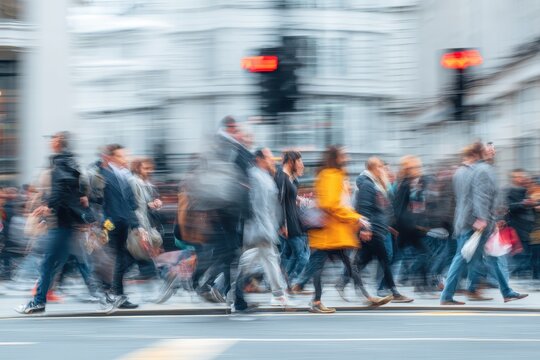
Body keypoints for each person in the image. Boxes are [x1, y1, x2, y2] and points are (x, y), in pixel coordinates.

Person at [293, 146, 391, 313]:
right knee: (318, 265)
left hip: (335, 232)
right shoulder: (331, 175)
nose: (346, 157)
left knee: (346, 265)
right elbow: (332, 205)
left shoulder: (333, 175)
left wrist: (354, 219)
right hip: (329, 232)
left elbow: (340, 204)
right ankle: (311, 296)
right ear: (336, 157)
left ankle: (367, 297)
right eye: (343, 154)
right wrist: (356, 218)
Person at [16, 132, 100, 314]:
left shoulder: (59, 163)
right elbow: (81, 190)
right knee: (75, 262)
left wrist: (48, 206)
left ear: (58, 143)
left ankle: (39, 302)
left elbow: (60, 189)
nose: (50, 142)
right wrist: (83, 199)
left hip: (61, 223)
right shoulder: (73, 163)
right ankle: (102, 296)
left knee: (49, 264)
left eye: (53, 139)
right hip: (71, 222)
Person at [440, 142, 528, 305]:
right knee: (463, 257)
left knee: (492, 255)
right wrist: (481, 219)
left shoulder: (465, 170)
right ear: (479, 152)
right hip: (476, 222)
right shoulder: (481, 170)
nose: (493, 152)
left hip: (471, 221)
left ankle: (502, 291)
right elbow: (480, 197)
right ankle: (447, 295)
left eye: (494, 149)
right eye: (489, 149)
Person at [338, 157, 413, 303]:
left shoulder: (375, 183)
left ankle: (343, 282)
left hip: (377, 228)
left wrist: (389, 226)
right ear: (373, 168)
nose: (383, 170)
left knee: (364, 260)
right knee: (385, 259)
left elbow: (382, 208)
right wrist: (365, 229)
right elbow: (365, 207)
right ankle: (394, 292)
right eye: (380, 167)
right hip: (372, 230)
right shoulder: (367, 184)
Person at [233, 148, 291, 312]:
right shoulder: (256, 176)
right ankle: (279, 295)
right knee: (268, 260)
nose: (272, 159)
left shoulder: (263, 175)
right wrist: (267, 228)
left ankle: (224, 287)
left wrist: (277, 225)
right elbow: (259, 206)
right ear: (259, 159)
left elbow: (271, 205)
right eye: (268, 157)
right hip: (260, 229)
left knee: (253, 261)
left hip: (265, 227)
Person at [98, 144, 145, 309]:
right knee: (114, 257)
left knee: (122, 258)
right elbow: (97, 201)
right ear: (110, 158)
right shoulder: (102, 174)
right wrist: (104, 223)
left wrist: (136, 225)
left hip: (124, 223)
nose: (125, 159)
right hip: (109, 224)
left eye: (125, 156)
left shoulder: (125, 176)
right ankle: (114, 293)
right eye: (121, 156)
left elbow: (131, 204)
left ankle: (113, 292)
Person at [393, 155, 431, 293]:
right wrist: (407, 224)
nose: (418, 169)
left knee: (423, 253)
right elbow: (398, 209)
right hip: (407, 228)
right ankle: (416, 282)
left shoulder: (408, 183)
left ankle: (421, 285)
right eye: (415, 167)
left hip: (409, 227)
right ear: (409, 169)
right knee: (394, 258)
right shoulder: (404, 185)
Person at [275, 150, 309, 288]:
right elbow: (279, 202)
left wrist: (298, 200)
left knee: (288, 255)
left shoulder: (290, 179)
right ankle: (287, 282)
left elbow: (288, 199)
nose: (302, 164)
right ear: (291, 162)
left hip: (293, 221)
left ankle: (283, 283)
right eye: (299, 161)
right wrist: (282, 225)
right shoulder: (281, 178)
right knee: (303, 257)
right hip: (289, 223)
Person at [506, 169, 536, 277]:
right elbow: (508, 207)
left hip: (527, 227)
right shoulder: (509, 190)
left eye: (522, 176)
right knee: (519, 254)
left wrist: (532, 204)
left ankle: (521, 275)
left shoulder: (524, 190)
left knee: (526, 254)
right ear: (513, 179)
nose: (522, 179)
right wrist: (523, 204)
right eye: (519, 177)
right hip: (517, 227)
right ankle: (518, 276)